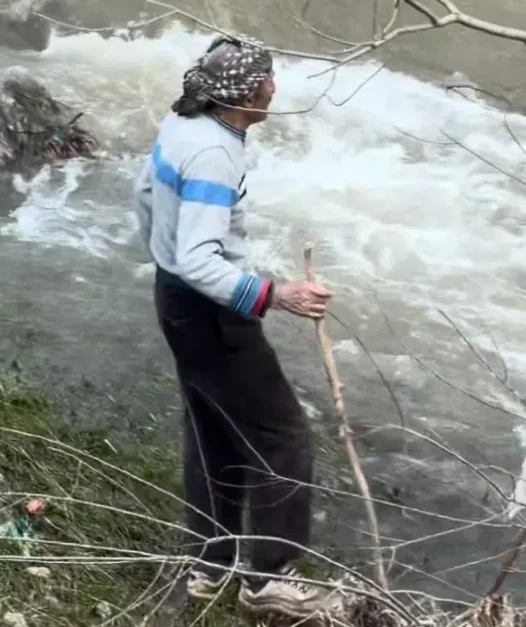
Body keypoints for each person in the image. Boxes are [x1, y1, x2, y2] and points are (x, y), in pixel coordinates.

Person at [132, 36, 337, 618]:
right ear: (247, 94)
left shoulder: (183, 126)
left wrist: (164, 257)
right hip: (211, 312)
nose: (275, 87)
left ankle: (210, 564)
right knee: (282, 436)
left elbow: (142, 194)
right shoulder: (215, 156)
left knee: (212, 431)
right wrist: (276, 295)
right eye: (269, 79)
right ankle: (269, 578)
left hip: (173, 300)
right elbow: (202, 258)